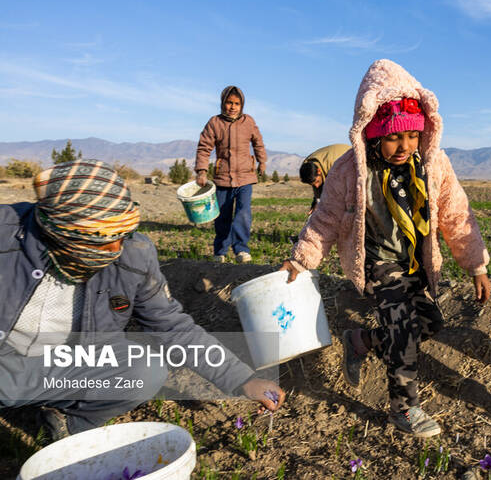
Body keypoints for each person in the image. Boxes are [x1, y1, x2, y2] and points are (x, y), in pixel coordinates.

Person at [280, 59, 491, 437]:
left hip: (414, 261)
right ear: (374, 132)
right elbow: (325, 218)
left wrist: (476, 264)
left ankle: (361, 341)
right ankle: (403, 408)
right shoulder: (351, 170)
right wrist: (301, 259)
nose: (404, 146)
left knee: (430, 323)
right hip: (378, 263)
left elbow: (456, 214)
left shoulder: (432, 164)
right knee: (405, 328)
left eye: (412, 136)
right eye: (394, 137)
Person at [0, 160, 285, 440]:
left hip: (66, 363)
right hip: (6, 358)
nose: (114, 248)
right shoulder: (6, 234)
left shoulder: (133, 254)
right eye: (100, 239)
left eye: (121, 235)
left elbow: (172, 326)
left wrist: (241, 379)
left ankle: (68, 424)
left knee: (143, 371)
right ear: (61, 229)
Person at [195, 86, 267, 263]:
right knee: (223, 216)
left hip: (245, 177)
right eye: (229, 103)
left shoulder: (248, 122)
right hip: (223, 178)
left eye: (237, 103)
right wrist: (201, 171)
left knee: (243, 212)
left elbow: (258, 142)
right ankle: (220, 251)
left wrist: (262, 161)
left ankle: (241, 249)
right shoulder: (214, 123)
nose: (233, 107)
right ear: (222, 103)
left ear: (242, 105)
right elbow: (204, 148)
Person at [299, 144, 351, 214]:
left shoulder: (335, 167)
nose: (316, 186)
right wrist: (316, 203)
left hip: (351, 160)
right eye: (313, 184)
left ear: (319, 171)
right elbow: (317, 188)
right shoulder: (308, 167)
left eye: (317, 181)